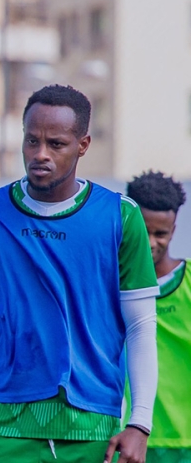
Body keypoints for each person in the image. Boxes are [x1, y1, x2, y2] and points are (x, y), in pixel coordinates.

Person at [0, 84, 159, 463]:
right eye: (31, 141)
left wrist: (140, 423)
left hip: (91, 428)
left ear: (83, 145)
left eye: (56, 144)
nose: (40, 154)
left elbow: (141, 325)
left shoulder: (120, 216)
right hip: (4, 423)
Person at [127, 171, 191, 463]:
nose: (151, 242)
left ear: (174, 230)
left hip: (184, 441)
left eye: (160, 233)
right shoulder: (106, 285)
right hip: (125, 438)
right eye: (143, 230)